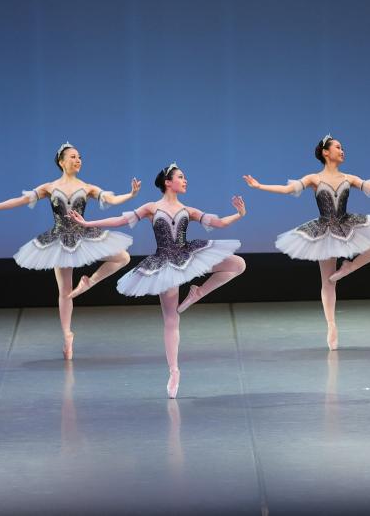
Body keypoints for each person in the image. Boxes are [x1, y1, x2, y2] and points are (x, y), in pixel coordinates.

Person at [68, 163, 246, 398]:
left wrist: (239, 214)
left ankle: (198, 292)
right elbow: (120, 221)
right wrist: (87, 223)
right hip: (164, 264)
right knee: (171, 319)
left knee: (238, 264)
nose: (185, 180)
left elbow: (219, 223)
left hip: (188, 255)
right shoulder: (151, 208)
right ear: (167, 182)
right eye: (180, 177)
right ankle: (174, 371)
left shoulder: (188, 210)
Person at [243, 134, 370, 350]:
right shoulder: (314, 179)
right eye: (338, 147)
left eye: (342, 148)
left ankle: (349, 267)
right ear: (325, 152)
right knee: (328, 280)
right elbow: (287, 189)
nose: (342, 150)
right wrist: (259, 186)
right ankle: (331, 325)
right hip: (325, 230)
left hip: (347, 223)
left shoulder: (349, 178)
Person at [0, 142, 139, 359]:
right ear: (61, 162)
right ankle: (67, 336)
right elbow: (21, 200)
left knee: (123, 257)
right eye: (73, 157)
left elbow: (111, 199)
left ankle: (89, 282)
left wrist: (130, 195)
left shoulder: (87, 187)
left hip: (83, 235)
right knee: (64, 291)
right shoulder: (49, 187)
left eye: (79, 157)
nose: (78, 160)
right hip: (59, 240)